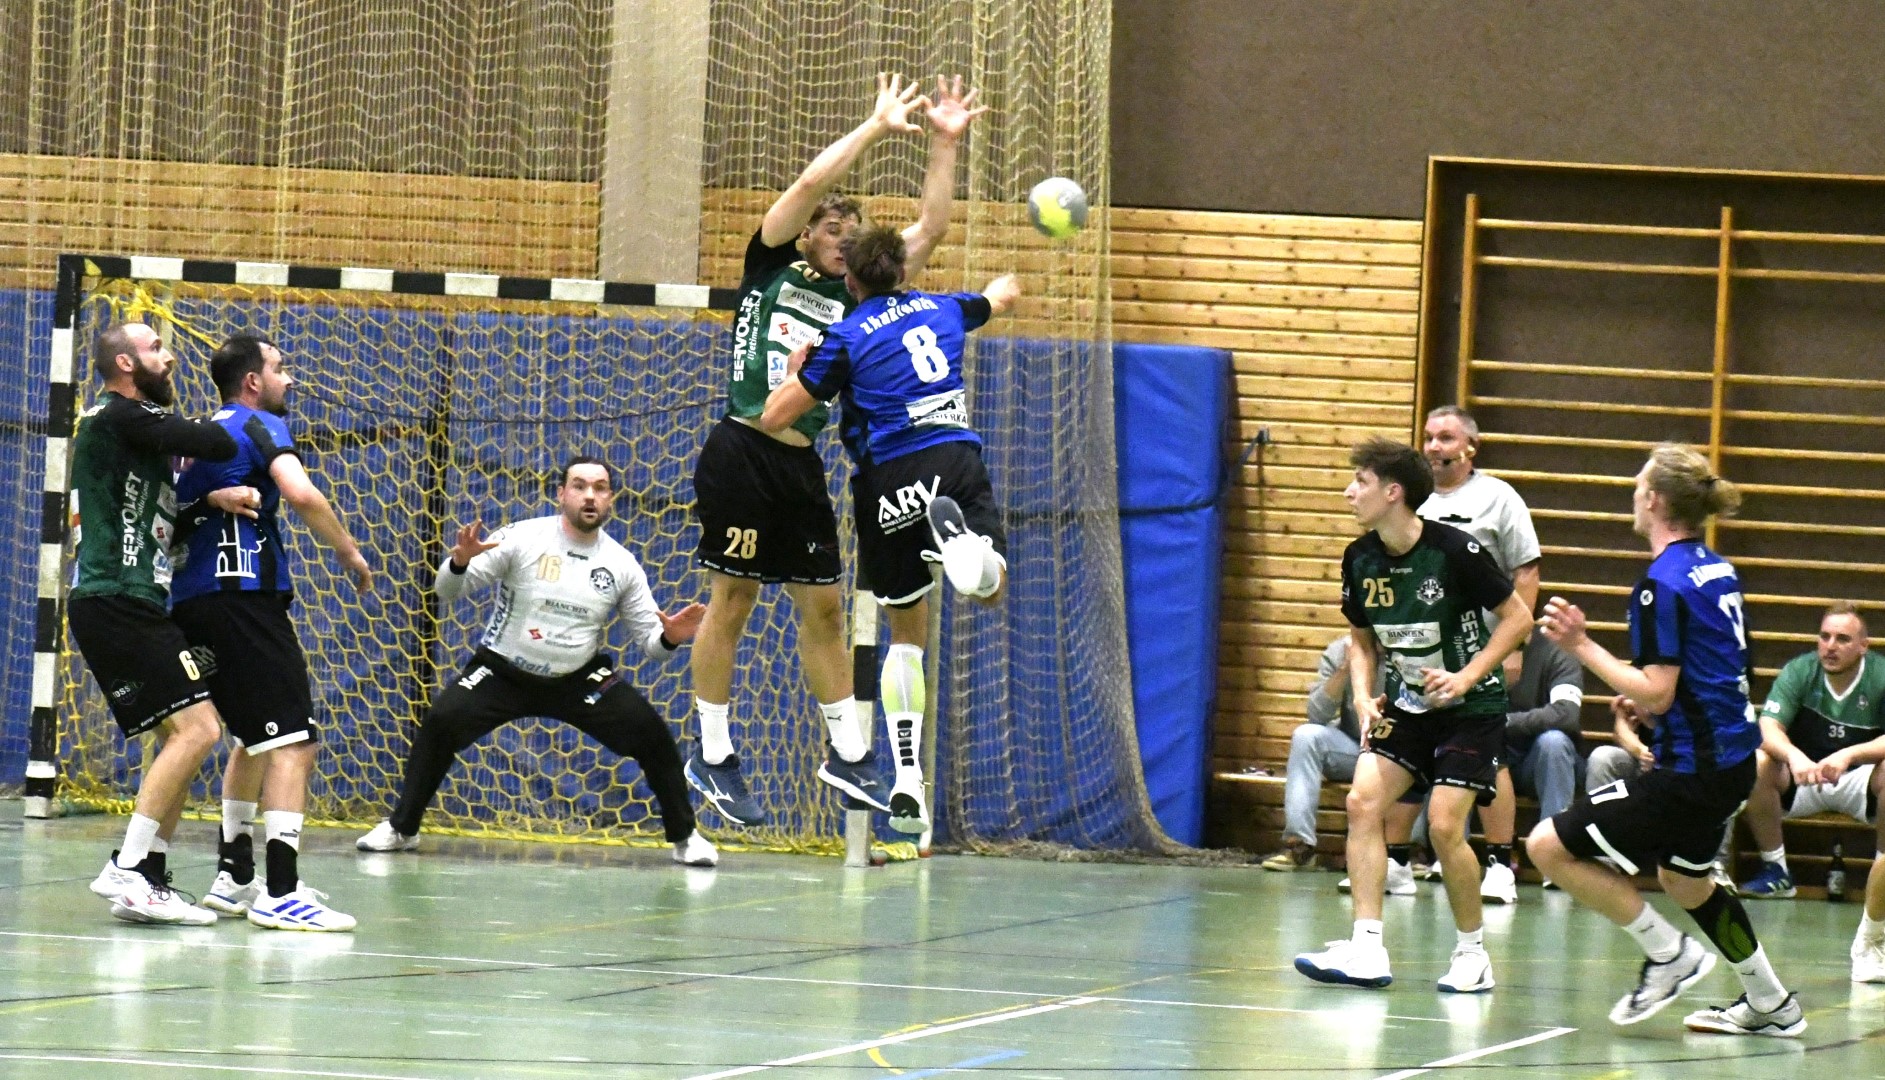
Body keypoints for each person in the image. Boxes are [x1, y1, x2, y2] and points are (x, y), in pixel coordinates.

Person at [685, 74, 986, 827]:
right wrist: (877, 127)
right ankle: (712, 753)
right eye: (831, 227)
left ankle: (850, 755)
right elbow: (810, 183)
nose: (842, 236)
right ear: (806, 235)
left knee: (823, 606)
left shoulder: (862, 296)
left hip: (799, 463)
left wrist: (944, 144)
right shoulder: (770, 264)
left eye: (851, 231)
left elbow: (931, 227)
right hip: (743, 447)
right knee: (734, 599)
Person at [1529, 444, 1806, 1037]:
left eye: (1638, 486)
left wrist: (1580, 644)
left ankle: (1668, 954)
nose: (1633, 494)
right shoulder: (1715, 567)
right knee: (1686, 881)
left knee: (1547, 846)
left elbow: (1656, 691)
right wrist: (1666, 713)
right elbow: (1719, 669)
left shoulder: (1661, 583)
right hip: (1732, 758)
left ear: (1654, 500)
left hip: (1692, 771)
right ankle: (1772, 1002)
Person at [758, 224, 1019, 833]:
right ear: (903, 271)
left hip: (886, 482)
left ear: (849, 280)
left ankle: (906, 780)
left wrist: (795, 372)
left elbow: (774, 417)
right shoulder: (945, 308)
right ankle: (970, 555)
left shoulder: (845, 337)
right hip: (952, 459)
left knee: (905, 637)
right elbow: (996, 299)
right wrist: (1005, 288)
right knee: (993, 590)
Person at [356, 457, 714, 866]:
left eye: (600, 488)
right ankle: (403, 828)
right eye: (579, 486)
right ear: (561, 494)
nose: (590, 496)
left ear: (611, 499)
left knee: (651, 734)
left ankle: (685, 836)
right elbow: (447, 590)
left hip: (579, 679)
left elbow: (652, 644)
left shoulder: (621, 564)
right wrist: (459, 563)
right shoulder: (521, 538)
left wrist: (671, 637)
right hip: (502, 671)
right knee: (441, 721)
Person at [1292, 438, 1532, 993]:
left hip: (1472, 707)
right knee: (1362, 803)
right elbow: (1361, 640)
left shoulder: (1454, 550)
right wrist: (1361, 695)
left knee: (1445, 826)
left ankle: (1472, 954)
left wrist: (1466, 676)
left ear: (1393, 493)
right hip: (1408, 706)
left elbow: (1518, 618)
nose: (1349, 492)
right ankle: (1367, 949)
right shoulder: (1359, 558)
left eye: (1361, 482)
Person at [169, 335, 373, 931]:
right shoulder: (256, 423)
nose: (290, 380)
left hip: (193, 601)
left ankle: (235, 876)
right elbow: (301, 493)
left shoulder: (194, 439)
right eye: (281, 369)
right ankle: (282, 892)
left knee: (255, 738)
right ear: (253, 382)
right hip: (242, 598)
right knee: (296, 741)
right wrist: (348, 550)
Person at [72, 322, 243, 925]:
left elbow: (154, 517)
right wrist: (245, 416)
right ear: (125, 363)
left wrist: (205, 503)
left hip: (133, 600)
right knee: (200, 729)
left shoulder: (136, 435)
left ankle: (145, 879)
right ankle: (127, 867)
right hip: (116, 598)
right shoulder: (117, 416)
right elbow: (215, 442)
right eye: (154, 349)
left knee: (186, 734)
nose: (168, 358)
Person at [1396, 404, 1542, 905]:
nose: (1434, 447)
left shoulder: (1498, 498)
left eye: (1446, 438)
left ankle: (1500, 863)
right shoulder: (1410, 498)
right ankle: (1398, 860)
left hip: (1479, 651)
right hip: (1419, 650)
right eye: (1429, 437)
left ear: (1470, 447)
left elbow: (1526, 572)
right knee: (1410, 746)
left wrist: (1514, 646)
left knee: (1487, 752)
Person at [1731, 603, 1885, 982]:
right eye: (1825, 637)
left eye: (1842, 639)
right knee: (1756, 761)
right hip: (1806, 776)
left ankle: (1881, 881)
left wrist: (1849, 755)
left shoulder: (1880, 675)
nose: (1830, 646)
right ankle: (1776, 870)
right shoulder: (1801, 670)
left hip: (1859, 778)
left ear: (1863, 646)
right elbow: (1767, 727)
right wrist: (1795, 758)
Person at [1261, 635, 1383, 872]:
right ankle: (1300, 846)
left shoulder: (1409, 648)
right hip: (1354, 746)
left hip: (1399, 748)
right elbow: (1317, 715)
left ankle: (1412, 852)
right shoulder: (1341, 649)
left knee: (1423, 748)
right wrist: (1346, 667)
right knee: (1306, 736)